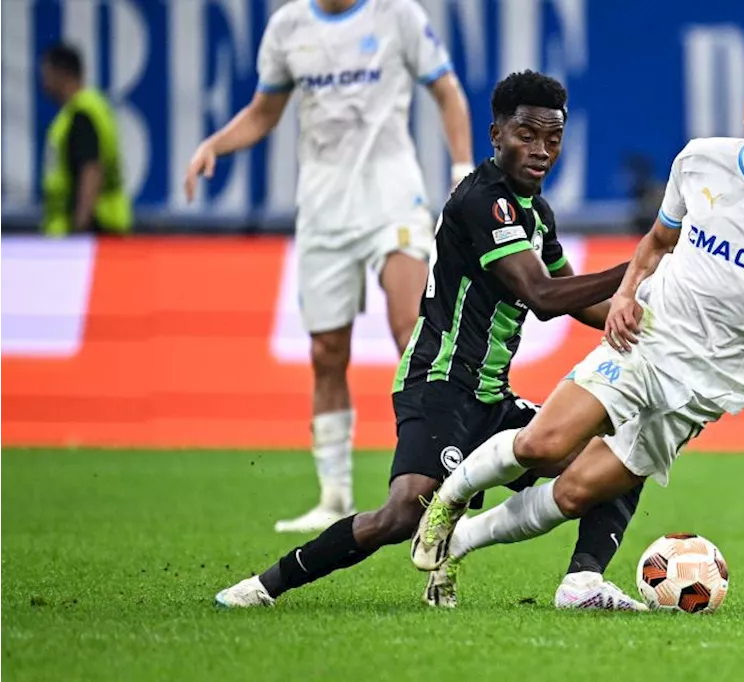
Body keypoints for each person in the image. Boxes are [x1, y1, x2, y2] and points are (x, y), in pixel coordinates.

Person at [412, 68, 744, 606]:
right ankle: (448, 502)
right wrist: (627, 297)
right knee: (545, 443)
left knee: (573, 493)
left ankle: (461, 543)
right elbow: (657, 242)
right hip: (650, 339)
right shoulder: (699, 160)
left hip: (710, 384)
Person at [214, 69, 648, 612]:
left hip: (491, 398)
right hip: (439, 386)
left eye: (552, 138)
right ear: (496, 135)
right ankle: (263, 586)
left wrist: (645, 321)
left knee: (618, 460)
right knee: (400, 517)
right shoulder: (482, 201)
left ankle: (582, 585)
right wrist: (642, 264)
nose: (541, 150)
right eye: (526, 135)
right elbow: (541, 295)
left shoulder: (536, 213)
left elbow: (574, 294)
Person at [184, 0, 476, 533]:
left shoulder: (397, 16)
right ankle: (334, 495)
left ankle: (440, 474)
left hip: (392, 198)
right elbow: (264, 111)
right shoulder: (288, 27)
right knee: (326, 351)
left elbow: (447, 91)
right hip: (322, 207)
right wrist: (215, 145)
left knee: (409, 330)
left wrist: (462, 171)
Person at [39, 43, 133, 238]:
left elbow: (91, 169)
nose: (44, 82)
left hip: (94, 228)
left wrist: (80, 227)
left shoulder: (81, 115)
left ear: (61, 73)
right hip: (101, 227)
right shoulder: (93, 107)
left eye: (46, 74)